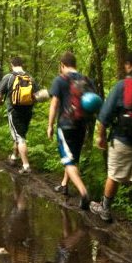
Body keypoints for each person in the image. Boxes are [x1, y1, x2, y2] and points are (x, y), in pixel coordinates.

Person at [89, 50, 132, 240]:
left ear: (129, 64)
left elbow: (104, 116)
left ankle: (104, 209)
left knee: (114, 174)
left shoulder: (123, 86)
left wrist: (101, 137)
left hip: (123, 138)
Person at [47, 52, 92, 210]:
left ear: (62, 65)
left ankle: (83, 192)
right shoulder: (85, 79)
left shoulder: (60, 79)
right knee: (73, 158)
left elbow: (54, 104)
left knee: (67, 160)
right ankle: (64, 185)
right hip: (81, 125)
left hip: (66, 125)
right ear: (75, 64)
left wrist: (50, 125)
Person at [0, 56, 40, 174]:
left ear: (12, 65)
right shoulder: (30, 77)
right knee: (20, 134)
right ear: (22, 64)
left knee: (20, 138)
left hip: (14, 111)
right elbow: (37, 96)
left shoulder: (8, 77)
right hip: (28, 111)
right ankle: (14, 157)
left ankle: (26, 166)